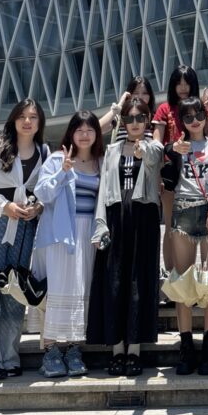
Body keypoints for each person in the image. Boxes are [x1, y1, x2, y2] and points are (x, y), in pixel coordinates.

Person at [0, 99, 49, 380]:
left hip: (25, 227)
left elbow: (46, 189)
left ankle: (9, 355)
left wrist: (36, 206)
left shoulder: (44, 152)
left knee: (16, 292)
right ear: (13, 119)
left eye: (33, 117)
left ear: (40, 122)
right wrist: (4, 206)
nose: (27, 121)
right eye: (22, 116)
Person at [88, 98, 165, 377]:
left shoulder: (153, 147)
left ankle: (135, 351)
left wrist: (144, 152)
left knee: (138, 284)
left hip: (143, 220)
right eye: (130, 118)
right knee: (115, 282)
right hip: (115, 218)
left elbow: (156, 159)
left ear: (147, 122)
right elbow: (103, 191)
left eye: (140, 118)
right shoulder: (111, 150)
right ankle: (117, 349)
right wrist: (100, 225)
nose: (134, 123)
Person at [31, 111, 104, 377]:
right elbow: (42, 193)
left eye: (90, 129)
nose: (85, 134)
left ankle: (74, 348)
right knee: (56, 289)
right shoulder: (57, 159)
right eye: (79, 129)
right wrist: (63, 172)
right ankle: (50, 350)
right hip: (59, 233)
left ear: (97, 134)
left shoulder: (100, 162)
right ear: (71, 133)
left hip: (87, 234)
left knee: (81, 289)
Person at [161, 97, 208, 375]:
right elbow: (158, 153)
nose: (194, 121)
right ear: (181, 122)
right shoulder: (178, 147)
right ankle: (186, 346)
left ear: (206, 114)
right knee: (183, 282)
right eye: (187, 117)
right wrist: (171, 148)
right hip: (184, 210)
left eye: (198, 114)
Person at [154, 66, 208, 279]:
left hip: (199, 175)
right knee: (171, 226)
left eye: (187, 82)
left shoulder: (201, 109)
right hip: (172, 176)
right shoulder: (164, 109)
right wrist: (159, 174)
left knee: (201, 227)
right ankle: (172, 275)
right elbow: (158, 144)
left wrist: (206, 109)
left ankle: (198, 277)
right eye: (178, 83)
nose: (183, 87)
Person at [99, 76, 156, 144]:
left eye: (145, 93)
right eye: (136, 93)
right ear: (129, 95)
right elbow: (97, 129)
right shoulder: (121, 117)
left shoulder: (155, 118)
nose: (140, 96)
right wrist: (119, 106)